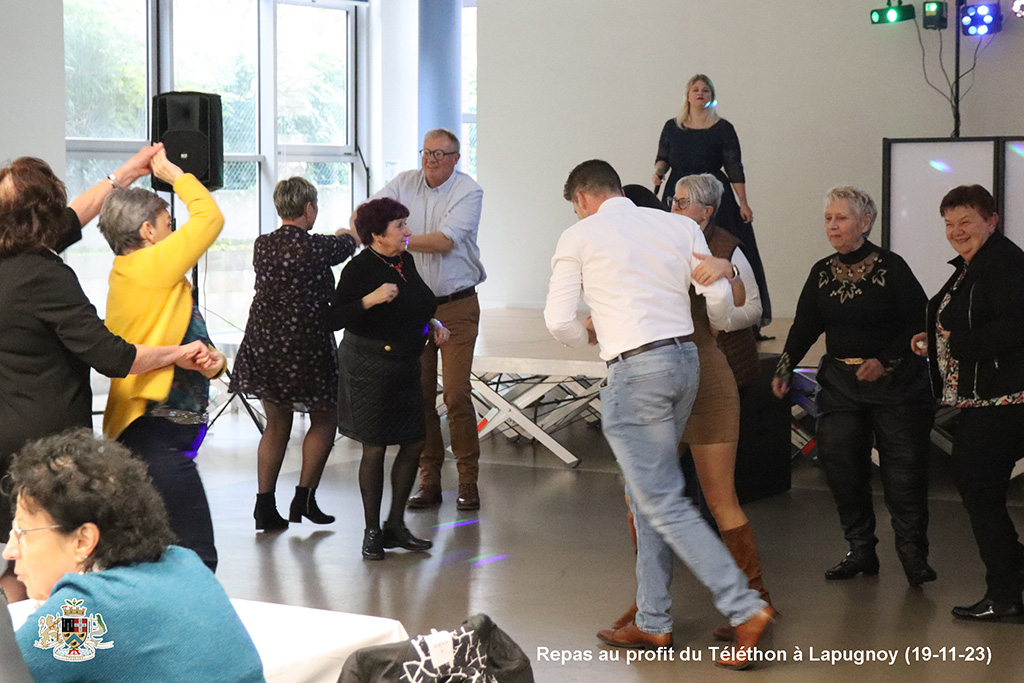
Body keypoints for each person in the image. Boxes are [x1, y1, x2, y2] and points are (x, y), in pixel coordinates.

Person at [545, 159, 773, 670]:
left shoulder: (579, 236)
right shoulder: (677, 227)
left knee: (662, 500)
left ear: (582, 199)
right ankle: (652, 619)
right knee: (646, 496)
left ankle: (746, 606)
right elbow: (719, 303)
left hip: (636, 371)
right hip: (686, 361)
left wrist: (588, 333)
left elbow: (559, 321)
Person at [0, 155, 212, 601]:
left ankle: (20, 643)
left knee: (19, 556)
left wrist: (125, 174)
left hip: (9, 431)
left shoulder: (11, 258)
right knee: (59, 563)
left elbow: (73, 218)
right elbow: (112, 356)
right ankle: (64, 642)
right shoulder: (43, 275)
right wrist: (179, 353)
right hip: (45, 442)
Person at [2, 430, 264, 682]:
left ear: (83, 541)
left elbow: (9, 669)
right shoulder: (185, 563)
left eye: (23, 532)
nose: (9, 550)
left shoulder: (83, 610)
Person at [773, 186, 935, 587]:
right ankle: (860, 549)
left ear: (865, 223)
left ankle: (913, 555)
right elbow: (805, 326)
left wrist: (885, 360)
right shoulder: (821, 272)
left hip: (895, 384)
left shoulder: (892, 267)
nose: (832, 225)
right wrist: (785, 367)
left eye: (841, 218)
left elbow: (921, 324)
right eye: (828, 218)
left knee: (903, 473)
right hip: (841, 384)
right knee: (841, 464)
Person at [98, 148, 227, 571]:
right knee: (197, 556)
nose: (174, 234)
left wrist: (214, 362)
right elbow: (210, 218)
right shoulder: (147, 267)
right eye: (169, 225)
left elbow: (192, 341)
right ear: (147, 231)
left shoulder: (148, 276)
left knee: (168, 554)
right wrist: (174, 175)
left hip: (161, 431)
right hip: (150, 431)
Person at [911, 185, 1024, 621]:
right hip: (983, 399)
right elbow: (960, 319)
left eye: (966, 222)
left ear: (991, 221)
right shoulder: (975, 264)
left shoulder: (1004, 263)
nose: (956, 232)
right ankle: (1010, 575)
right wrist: (932, 338)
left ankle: (1006, 594)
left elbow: (1015, 325)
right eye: (949, 224)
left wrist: (958, 345)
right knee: (979, 489)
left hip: (1002, 400)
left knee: (979, 490)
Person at [362, 128, 485, 511]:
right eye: (426, 152)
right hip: (413, 308)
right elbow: (368, 214)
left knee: (456, 393)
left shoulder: (468, 191)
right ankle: (429, 479)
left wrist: (393, 240)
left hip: (456, 306)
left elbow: (445, 241)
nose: (430, 159)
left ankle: (468, 480)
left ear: (456, 158)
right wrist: (367, 231)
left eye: (439, 153)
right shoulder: (403, 183)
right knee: (419, 395)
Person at [230, 177, 359, 531]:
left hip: (264, 344)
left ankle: (264, 505)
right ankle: (304, 497)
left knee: (276, 425)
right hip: (305, 346)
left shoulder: (262, 245)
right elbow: (346, 244)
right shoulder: (315, 247)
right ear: (309, 208)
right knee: (325, 418)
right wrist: (349, 230)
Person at [330, 198, 449, 560]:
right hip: (368, 366)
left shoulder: (403, 261)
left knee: (414, 441)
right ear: (377, 235)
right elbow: (333, 318)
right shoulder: (359, 269)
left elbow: (418, 303)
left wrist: (432, 322)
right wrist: (371, 299)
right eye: (399, 226)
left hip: (404, 363)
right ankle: (372, 531)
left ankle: (395, 524)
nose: (407, 231)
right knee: (375, 447)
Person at [653, 73, 771, 328]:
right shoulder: (672, 126)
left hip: (714, 196)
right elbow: (663, 157)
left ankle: (736, 309)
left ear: (712, 96)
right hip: (680, 192)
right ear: (687, 95)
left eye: (705, 90)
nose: (700, 93)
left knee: (725, 243)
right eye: (695, 89)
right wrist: (659, 172)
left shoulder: (723, 128)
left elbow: (734, 167)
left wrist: (743, 202)